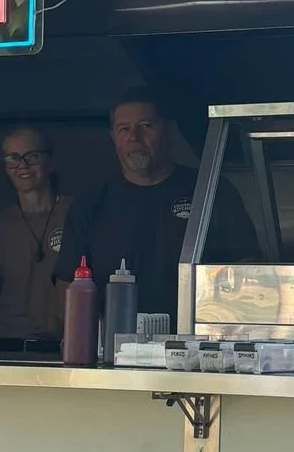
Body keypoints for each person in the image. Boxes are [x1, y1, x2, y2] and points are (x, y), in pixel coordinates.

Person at [53, 91, 255, 324]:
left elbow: (245, 267)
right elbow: (67, 281)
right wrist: (95, 339)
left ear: (168, 130)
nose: (134, 138)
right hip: (114, 349)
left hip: (195, 347)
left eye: (146, 125)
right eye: (124, 129)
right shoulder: (90, 204)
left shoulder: (211, 191)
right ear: (113, 138)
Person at [0, 126, 72, 353]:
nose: (23, 165)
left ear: (51, 161)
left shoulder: (77, 214)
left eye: (32, 156)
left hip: (65, 346)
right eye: (13, 158)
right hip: (7, 345)